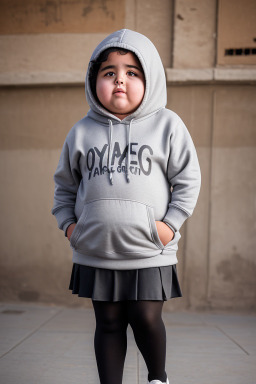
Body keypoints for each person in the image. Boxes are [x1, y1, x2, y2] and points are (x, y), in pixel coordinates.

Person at [52, 29, 201, 384]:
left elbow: (188, 181)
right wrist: (71, 227)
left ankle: (157, 377)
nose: (120, 80)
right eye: (109, 72)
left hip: (149, 248)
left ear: (150, 79)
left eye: (132, 72)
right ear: (94, 80)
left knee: (146, 319)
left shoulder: (168, 125)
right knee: (108, 324)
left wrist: (168, 225)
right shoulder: (81, 132)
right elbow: (64, 187)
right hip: (96, 250)